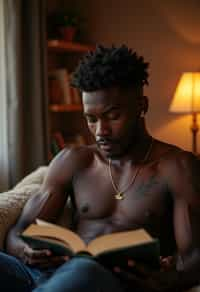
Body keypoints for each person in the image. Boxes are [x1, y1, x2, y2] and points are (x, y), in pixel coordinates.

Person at [1, 45, 200, 292]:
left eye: (112, 116)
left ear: (142, 106)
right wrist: (26, 251)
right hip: (49, 273)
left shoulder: (177, 167)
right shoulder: (73, 160)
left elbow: (194, 256)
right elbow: (16, 232)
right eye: (91, 119)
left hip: (110, 282)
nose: (100, 131)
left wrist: (169, 280)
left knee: (85, 269)